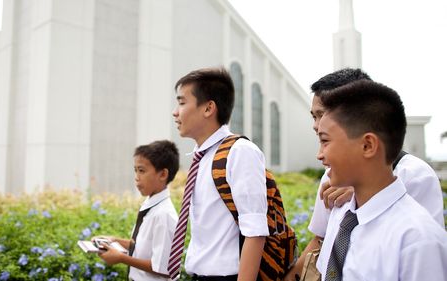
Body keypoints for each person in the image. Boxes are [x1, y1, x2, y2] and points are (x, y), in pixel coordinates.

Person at [285, 68, 444, 281]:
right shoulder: (335, 176)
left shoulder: (417, 233)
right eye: (315, 117)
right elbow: (322, 245)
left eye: (322, 117)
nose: (316, 125)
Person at [169, 67, 268, 280]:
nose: (175, 112)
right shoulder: (201, 156)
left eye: (182, 102)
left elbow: (255, 231)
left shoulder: (239, 152)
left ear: (208, 108)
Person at [94, 140, 180, 281]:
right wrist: (113, 241)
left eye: (142, 171)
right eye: (135, 170)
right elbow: (142, 248)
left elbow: (164, 268)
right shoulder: (150, 205)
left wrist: (122, 258)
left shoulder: (164, 215)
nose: (136, 177)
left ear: (163, 174)